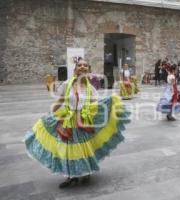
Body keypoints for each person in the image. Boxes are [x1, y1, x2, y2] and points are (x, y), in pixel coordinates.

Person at [24, 59, 130, 188]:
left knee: (84, 147)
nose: (82, 67)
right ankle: (71, 176)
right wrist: (51, 113)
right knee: (69, 148)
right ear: (75, 69)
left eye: (85, 65)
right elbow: (61, 100)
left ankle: (86, 173)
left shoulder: (91, 88)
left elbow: (96, 104)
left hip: (84, 121)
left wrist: (111, 102)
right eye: (80, 65)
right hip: (68, 120)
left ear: (89, 70)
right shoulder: (67, 84)